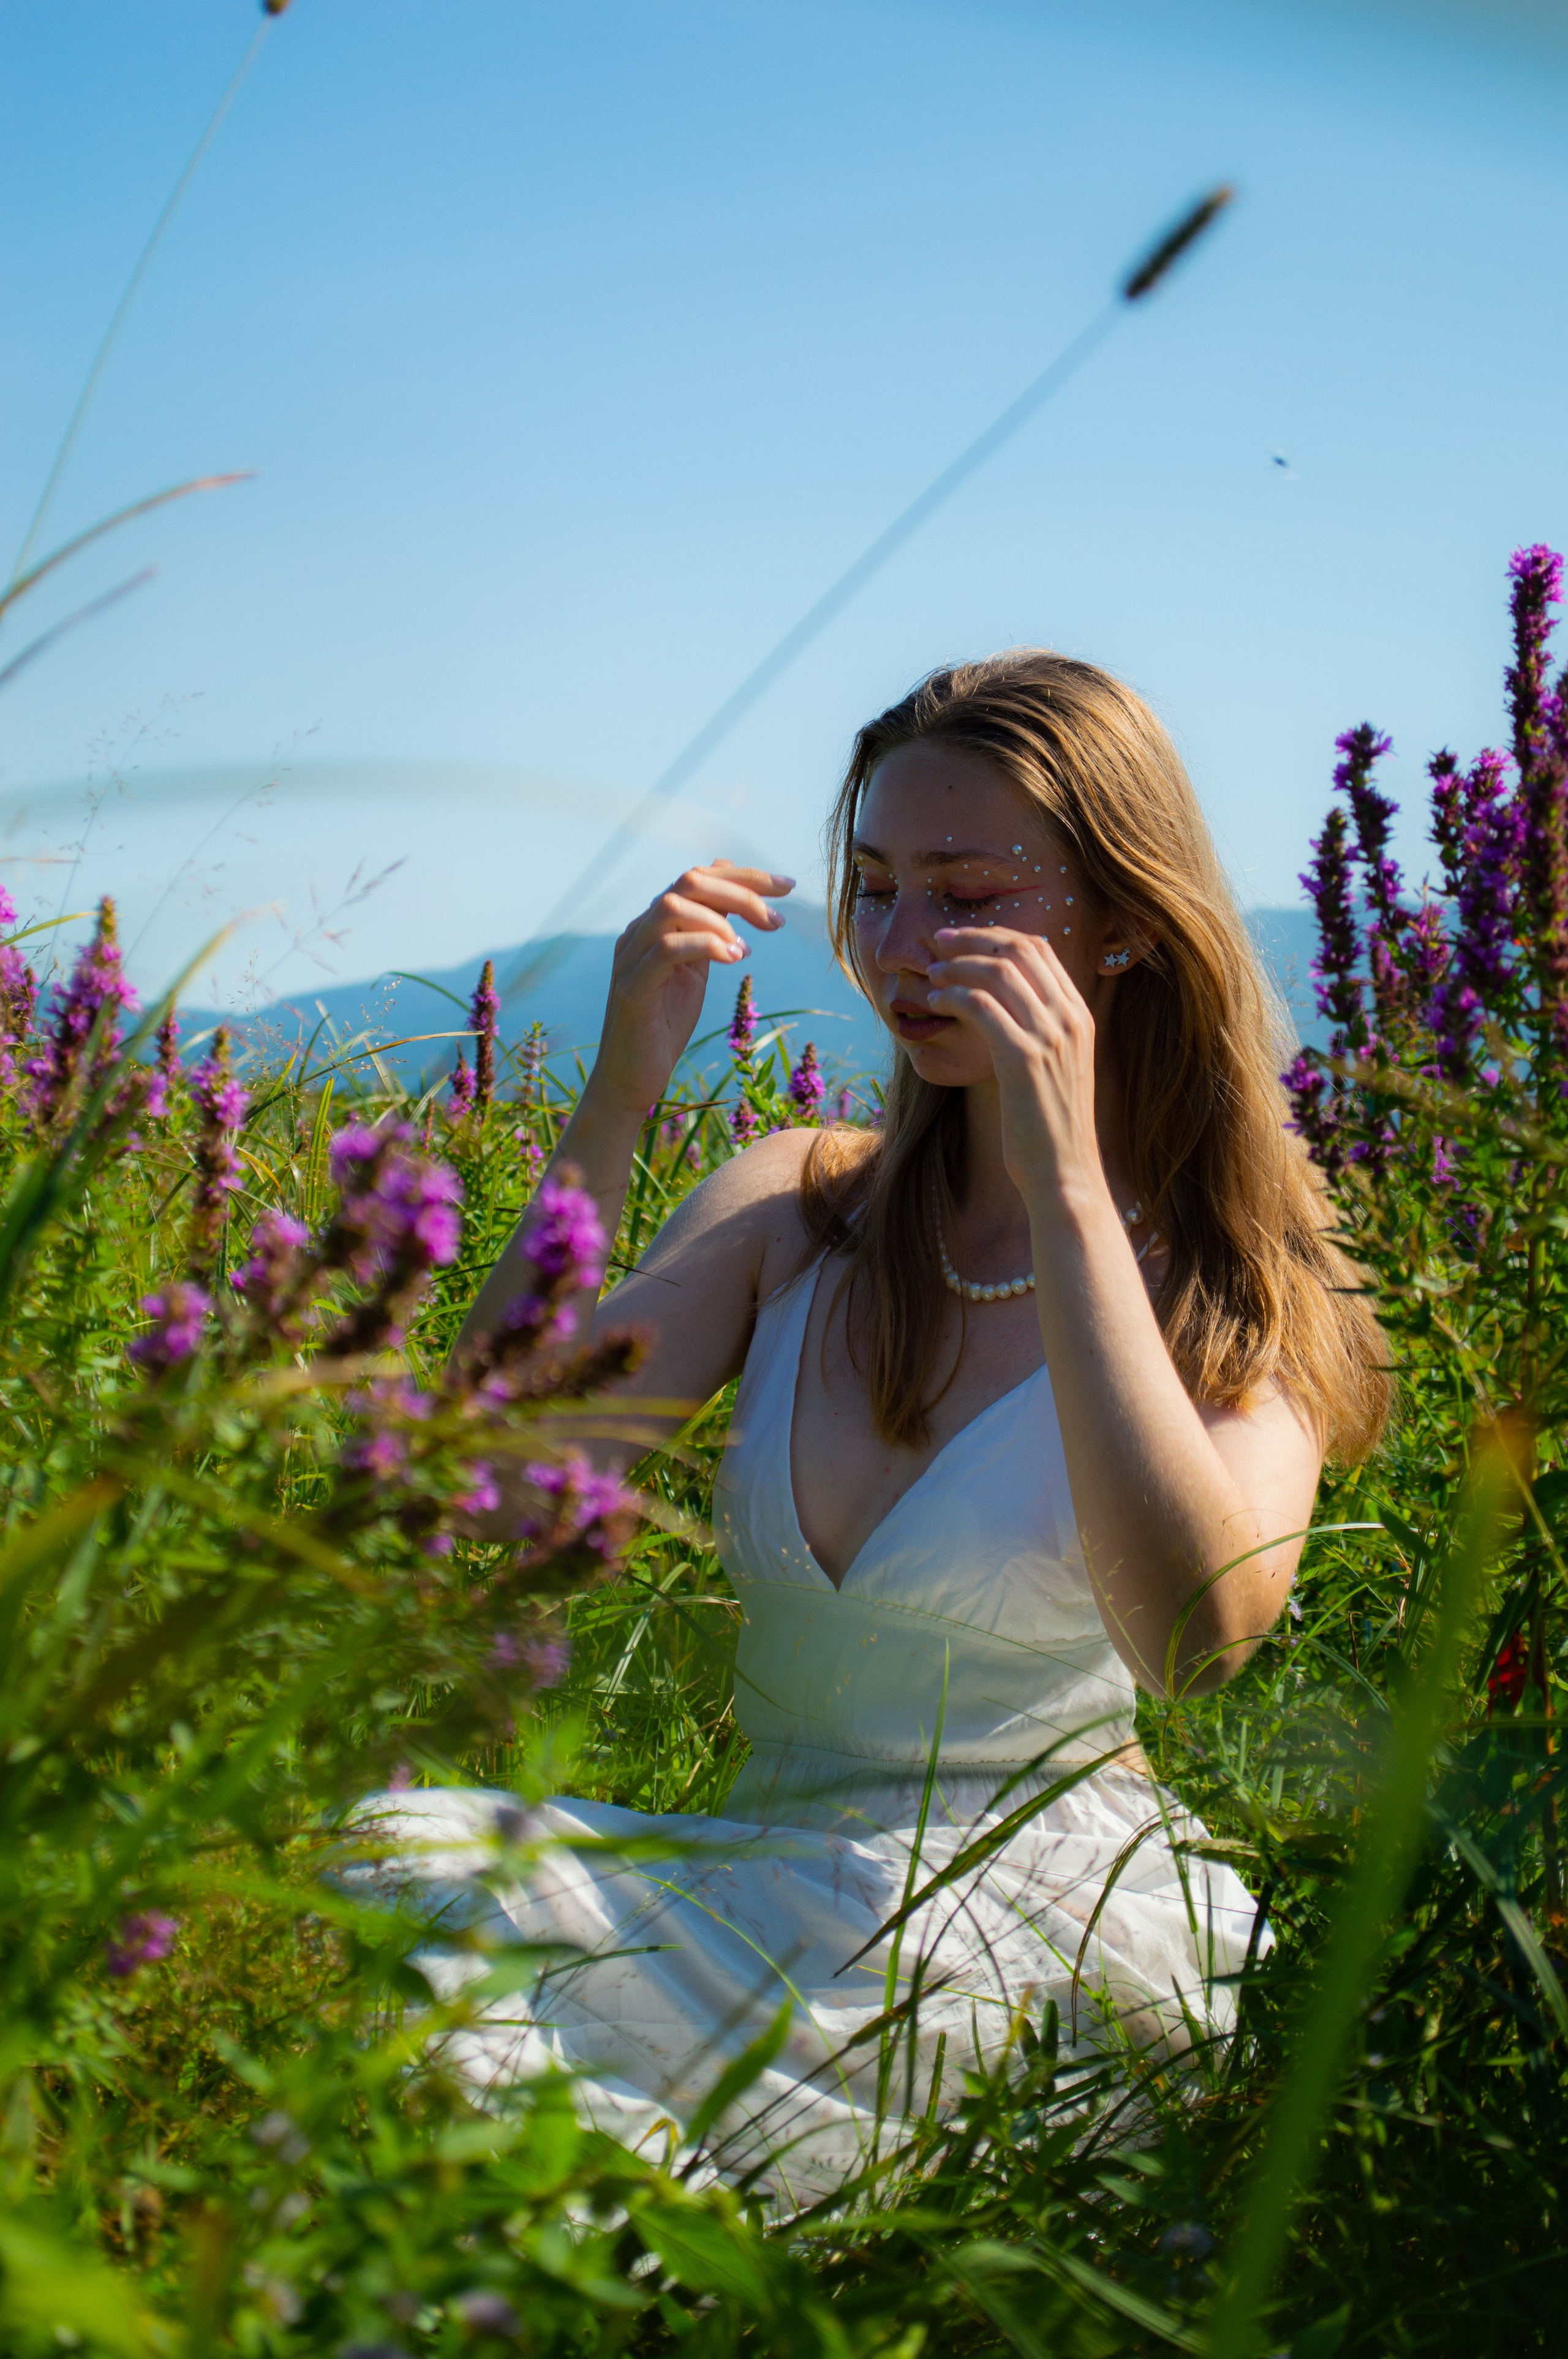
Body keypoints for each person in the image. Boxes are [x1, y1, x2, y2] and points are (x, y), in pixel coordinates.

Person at [364, 652, 1389, 2202]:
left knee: (489, 2064)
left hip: (1033, 1934)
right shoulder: (801, 1207)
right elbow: (486, 1502)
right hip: (753, 1894)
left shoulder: (1239, 1268)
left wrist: (1062, 1194)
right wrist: (615, 1098)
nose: (905, 949)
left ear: (1121, 925)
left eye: (967, 895)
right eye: (874, 888)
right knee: (374, 1862)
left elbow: (1203, 1640)